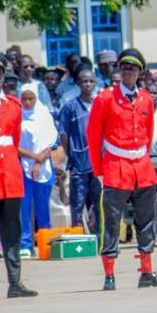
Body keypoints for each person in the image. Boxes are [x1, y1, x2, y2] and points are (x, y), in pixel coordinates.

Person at [87, 48, 157, 291]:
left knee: (146, 222)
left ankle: (146, 272)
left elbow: (148, 131)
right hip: (115, 166)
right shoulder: (105, 98)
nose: (127, 72)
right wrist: (99, 171)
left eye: (132, 68)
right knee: (111, 223)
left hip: (142, 167)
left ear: (140, 72)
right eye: (123, 68)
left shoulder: (146, 98)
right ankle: (109, 275)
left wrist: (142, 156)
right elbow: (93, 136)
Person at [0, 53, 38, 298]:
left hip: (9, 176)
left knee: (12, 231)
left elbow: (15, 139)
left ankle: (15, 282)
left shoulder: (14, 105)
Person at [58, 69, 101, 234]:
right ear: (78, 84)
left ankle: (101, 239)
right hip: (79, 163)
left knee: (99, 203)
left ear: (95, 82)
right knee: (77, 203)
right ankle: (78, 237)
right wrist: (72, 155)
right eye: (84, 81)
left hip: (99, 164)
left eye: (91, 81)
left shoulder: (100, 104)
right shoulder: (70, 107)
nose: (88, 84)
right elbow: (64, 134)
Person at [18, 89, 59, 258]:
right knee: (24, 207)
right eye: (24, 99)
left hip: (43, 167)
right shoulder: (17, 117)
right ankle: (25, 244)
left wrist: (39, 161)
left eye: (31, 98)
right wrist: (34, 157)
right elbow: (13, 143)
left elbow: (53, 140)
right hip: (22, 166)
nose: (27, 102)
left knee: (43, 208)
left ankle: (45, 242)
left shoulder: (44, 116)